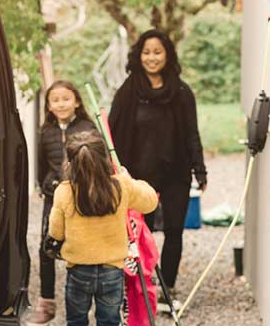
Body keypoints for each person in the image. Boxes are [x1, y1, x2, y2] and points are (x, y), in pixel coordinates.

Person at [108, 29, 207, 299]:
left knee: (175, 230)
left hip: (176, 172)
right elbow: (112, 133)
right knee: (142, 232)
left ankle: (168, 287)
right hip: (139, 176)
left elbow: (191, 133)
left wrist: (200, 169)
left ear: (168, 55)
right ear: (139, 56)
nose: (152, 58)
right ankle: (145, 282)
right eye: (147, 52)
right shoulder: (128, 92)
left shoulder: (182, 92)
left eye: (157, 52)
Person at [49, 132, 158, 326]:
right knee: (109, 320)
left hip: (78, 270)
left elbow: (56, 232)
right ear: (105, 160)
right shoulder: (121, 186)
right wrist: (129, 179)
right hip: (112, 270)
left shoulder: (64, 192)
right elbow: (150, 202)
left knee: (76, 320)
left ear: (69, 163)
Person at [28, 80, 99, 325]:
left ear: (77, 101)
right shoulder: (45, 131)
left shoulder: (87, 127)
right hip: (54, 196)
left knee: (80, 245)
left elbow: (96, 162)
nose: (61, 104)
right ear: (48, 105)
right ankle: (46, 303)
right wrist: (44, 183)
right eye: (55, 100)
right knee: (46, 246)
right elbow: (41, 163)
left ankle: (85, 300)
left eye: (66, 98)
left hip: (81, 196)